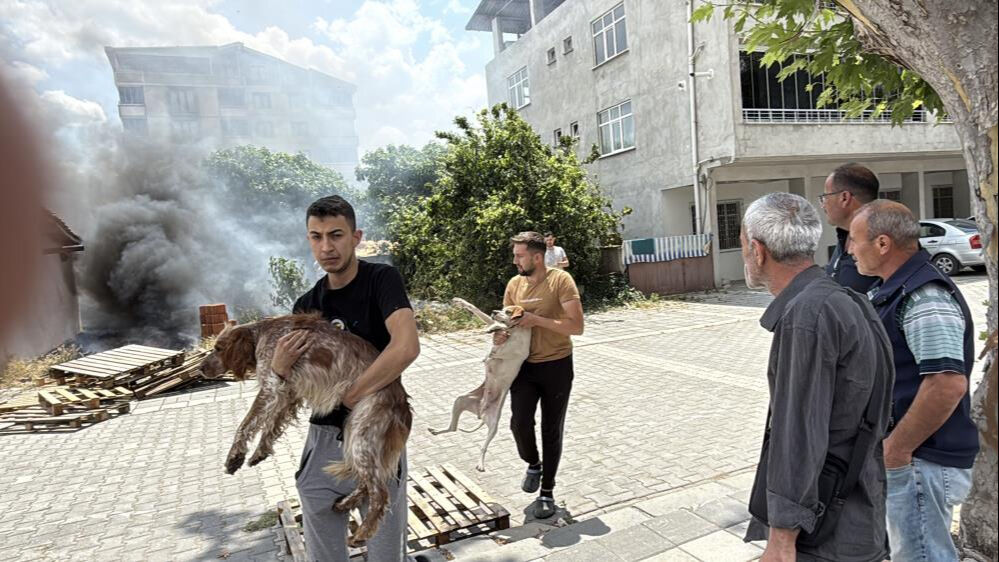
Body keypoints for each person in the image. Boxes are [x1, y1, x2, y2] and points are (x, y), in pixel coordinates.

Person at [740, 193, 893, 562]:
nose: (745, 253)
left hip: (826, 534)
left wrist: (780, 539)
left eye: (743, 245)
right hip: (855, 513)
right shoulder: (844, 299)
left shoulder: (807, 316)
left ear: (758, 251)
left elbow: (798, 432)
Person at [270, 195, 422, 562]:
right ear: (308, 240)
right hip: (323, 440)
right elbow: (295, 391)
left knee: (386, 553)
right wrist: (278, 369)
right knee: (324, 556)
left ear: (356, 237)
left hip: (378, 434)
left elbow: (405, 347)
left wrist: (351, 396)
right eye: (316, 236)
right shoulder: (307, 304)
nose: (327, 246)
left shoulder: (381, 280)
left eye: (336, 235)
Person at [849, 200, 979, 561]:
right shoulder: (897, 289)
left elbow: (947, 384)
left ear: (883, 244)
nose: (847, 249)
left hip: (922, 459)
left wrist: (897, 449)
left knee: (922, 555)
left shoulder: (924, 296)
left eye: (854, 240)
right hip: (915, 458)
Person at [494, 231, 583, 519]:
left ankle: (547, 493)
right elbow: (506, 325)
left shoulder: (560, 280)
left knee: (551, 429)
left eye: (519, 255)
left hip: (557, 364)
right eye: (514, 255)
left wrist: (536, 321)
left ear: (536, 256)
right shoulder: (513, 285)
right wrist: (500, 336)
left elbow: (576, 326)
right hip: (523, 366)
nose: (514, 260)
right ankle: (533, 463)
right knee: (519, 423)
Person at [818, 162, 880, 293]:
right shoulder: (844, 235)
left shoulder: (879, 242)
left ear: (844, 198)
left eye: (825, 197)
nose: (823, 205)